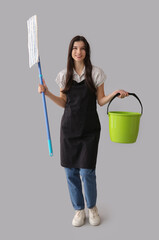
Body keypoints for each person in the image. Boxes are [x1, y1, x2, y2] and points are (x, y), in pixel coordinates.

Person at [38, 35, 128, 227]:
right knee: (70, 172)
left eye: (82, 48)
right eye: (75, 48)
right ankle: (79, 210)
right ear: (70, 52)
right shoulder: (64, 75)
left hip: (89, 130)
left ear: (87, 52)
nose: (78, 52)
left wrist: (114, 94)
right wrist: (47, 93)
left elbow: (101, 100)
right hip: (69, 130)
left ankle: (92, 208)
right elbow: (63, 102)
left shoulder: (96, 73)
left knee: (87, 172)